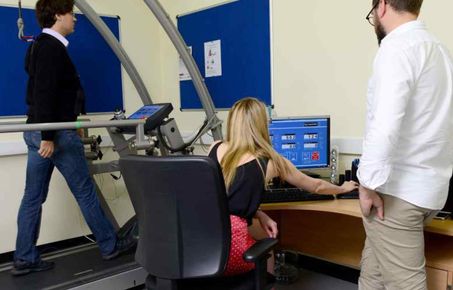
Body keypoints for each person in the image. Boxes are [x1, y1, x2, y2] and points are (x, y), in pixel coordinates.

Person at [12, 0, 133, 276]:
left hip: (40, 130)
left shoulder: (38, 46)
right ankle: (109, 244)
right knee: (85, 191)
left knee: (32, 196)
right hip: (51, 132)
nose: (75, 19)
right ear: (58, 16)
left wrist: (73, 122)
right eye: (71, 14)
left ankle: (25, 257)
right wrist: (49, 136)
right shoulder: (51, 49)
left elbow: (59, 93)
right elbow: (45, 93)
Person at [358, 0, 453, 289]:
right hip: (430, 191)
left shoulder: (396, 47)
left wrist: (367, 184)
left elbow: (384, 125)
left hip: (398, 194)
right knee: (372, 273)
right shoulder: (438, 50)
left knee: (406, 284)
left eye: (371, 13)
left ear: (382, 5)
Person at [208, 97, 358, 275]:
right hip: (231, 253)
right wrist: (343, 188)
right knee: (267, 247)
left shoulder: (215, 148)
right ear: (262, 125)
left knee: (259, 235)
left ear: (233, 122)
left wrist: (258, 213)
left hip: (202, 244)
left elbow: (223, 197)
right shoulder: (272, 162)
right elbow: (316, 186)